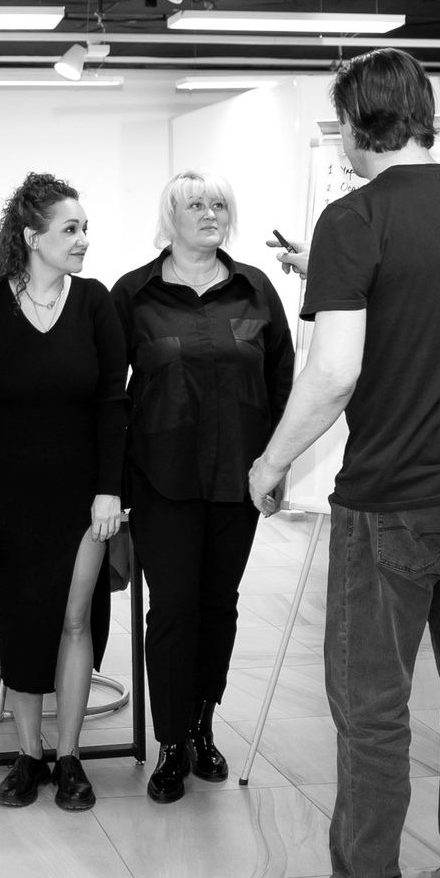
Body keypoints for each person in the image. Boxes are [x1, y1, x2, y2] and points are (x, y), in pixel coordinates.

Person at [252, 47, 440, 878]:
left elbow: (334, 374)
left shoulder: (355, 216)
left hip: (394, 500)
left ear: (355, 124)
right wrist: (324, 273)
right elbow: (427, 308)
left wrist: (271, 462)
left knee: (371, 705)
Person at [111, 170, 295, 805]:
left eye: (220, 204)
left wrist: (279, 464)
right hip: (161, 481)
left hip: (238, 481)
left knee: (219, 606)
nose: (211, 213)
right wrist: (109, 484)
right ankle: (169, 744)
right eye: (196, 205)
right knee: (173, 610)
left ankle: (201, 727)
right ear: (171, 218)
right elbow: (110, 394)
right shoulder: (133, 294)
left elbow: (283, 381)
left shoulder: (256, 289)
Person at [0, 173, 127, 811]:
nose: (82, 240)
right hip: (7, 495)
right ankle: (28, 756)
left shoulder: (95, 302)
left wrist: (109, 490)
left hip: (81, 495)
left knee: (75, 619)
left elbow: (113, 403)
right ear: (30, 236)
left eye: (84, 228)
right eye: (69, 229)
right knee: (22, 623)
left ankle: (69, 757)